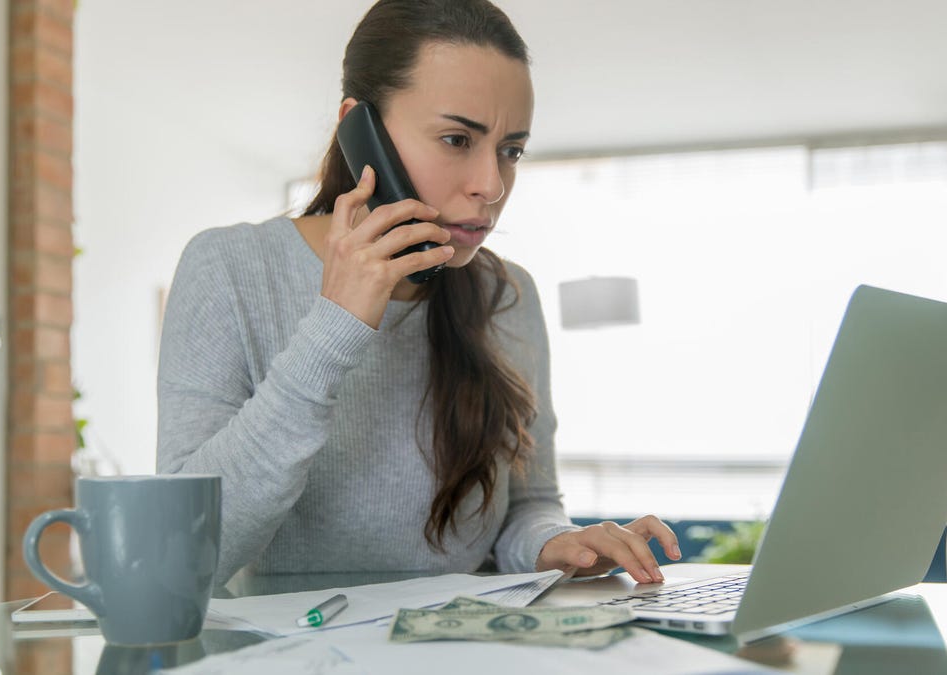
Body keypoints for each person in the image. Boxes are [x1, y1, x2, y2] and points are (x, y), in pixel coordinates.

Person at [156, 0, 680, 587]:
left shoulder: (507, 296)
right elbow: (181, 557)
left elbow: (528, 503)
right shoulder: (228, 268)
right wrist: (335, 324)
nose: (490, 185)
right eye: (458, 139)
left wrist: (558, 544)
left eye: (511, 150)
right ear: (360, 130)